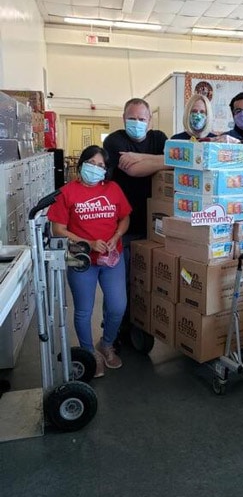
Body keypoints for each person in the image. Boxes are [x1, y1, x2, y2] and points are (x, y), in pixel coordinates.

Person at [47, 145, 132, 378]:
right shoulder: (66, 192)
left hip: (111, 257)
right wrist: (88, 242)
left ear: (106, 170)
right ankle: (87, 352)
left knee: (117, 306)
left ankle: (106, 344)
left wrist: (116, 237)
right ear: (82, 163)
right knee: (84, 310)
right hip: (81, 259)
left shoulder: (113, 189)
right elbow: (58, 229)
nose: (96, 169)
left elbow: (125, 218)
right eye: (92, 163)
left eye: (101, 166)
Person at [103, 98, 167, 334]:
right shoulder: (115, 140)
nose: (137, 123)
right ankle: (113, 331)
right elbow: (134, 169)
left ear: (150, 121)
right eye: (132, 118)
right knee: (119, 286)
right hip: (122, 228)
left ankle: (139, 326)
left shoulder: (159, 138)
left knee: (145, 284)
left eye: (142, 119)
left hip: (154, 226)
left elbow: (177, 161)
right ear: (123, 119)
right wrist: (158, 162)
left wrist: (153, 160)